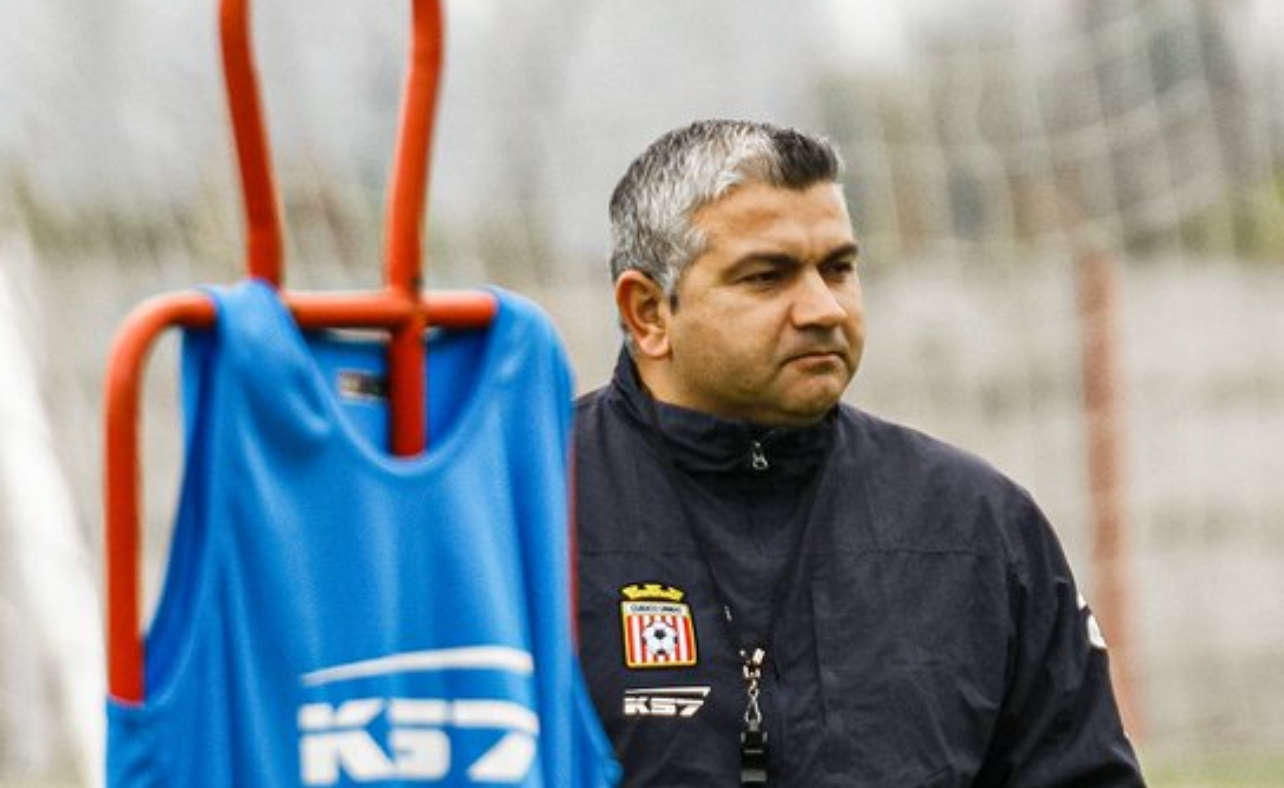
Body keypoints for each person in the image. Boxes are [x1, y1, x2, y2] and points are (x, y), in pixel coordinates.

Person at [573, 119, 1146, 787]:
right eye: (768, 276)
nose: (823, 309)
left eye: (838, 268)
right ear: (648, 312)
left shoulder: (976, 523)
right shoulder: (529, 506)